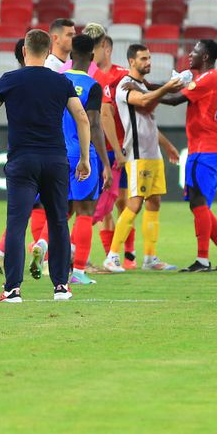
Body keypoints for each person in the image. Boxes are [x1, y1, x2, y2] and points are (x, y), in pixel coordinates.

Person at [0, 29, 89, 303]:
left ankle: (13, 289)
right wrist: (85, 158)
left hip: (22, 160)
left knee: (17, 224)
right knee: (58, 221)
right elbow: (82, 118)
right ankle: (61, 286)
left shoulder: (10, 80)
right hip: (55, 159)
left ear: (25, 51)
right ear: (49, 52)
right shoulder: (60, 82)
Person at [102, 43, 186, 273]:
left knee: (154, 202)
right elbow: (144, 102)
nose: (148, 62)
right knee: (135, 203)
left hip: (153, 153)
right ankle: (112, 256)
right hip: (138, 154)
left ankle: (150, 258)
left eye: (149, 58)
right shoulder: (125, 85)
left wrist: (167, 146)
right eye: (143, 59)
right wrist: (168, 87)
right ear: (132, 61)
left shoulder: (141, 84)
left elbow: (149, 122)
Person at [159, 39, 217, 272]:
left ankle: (203, 260)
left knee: (198, 201)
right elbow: (175, 90)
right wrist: (143, 85)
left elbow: (175, 100)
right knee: (199, 203)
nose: (190, 55)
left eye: (195, 51)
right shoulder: (214, 77)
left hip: (204, 147)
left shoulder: (208, 78)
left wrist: (141, 95)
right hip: (206, 147)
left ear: (205, 56)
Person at [0, 38, 54, 275]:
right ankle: (46, 257)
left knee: (23, 212)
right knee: (60, 209)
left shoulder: (10, 81)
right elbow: (81, 117)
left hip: (19, 156)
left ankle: (2, 257)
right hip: (50, 154)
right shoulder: (54, 78)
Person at [64, 34, 112, 285]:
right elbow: (94, 124)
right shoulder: (93, 86)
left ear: (70, 56)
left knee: (58, 211)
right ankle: (79, 272)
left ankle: (46, 251)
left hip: (56, 154)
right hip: (83, 155)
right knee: (85, 211)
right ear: (92, 58)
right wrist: (104, 163)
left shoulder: (56, 81)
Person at [92, 34, 134, 266]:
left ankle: (128, 254)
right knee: (103, 206)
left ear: (105, 48)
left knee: (124, 203)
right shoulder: (92, 76)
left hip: (121, 146)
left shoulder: (122, 76)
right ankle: (111, 255)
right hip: (100, 148)